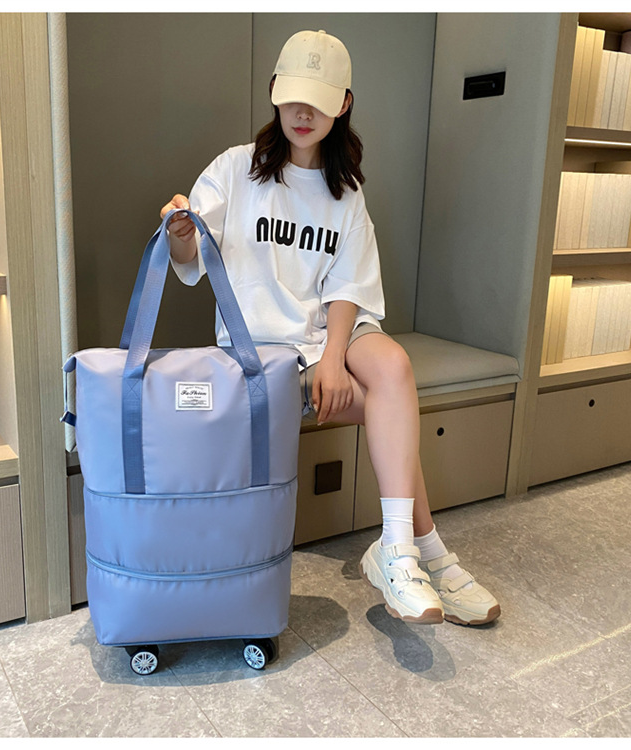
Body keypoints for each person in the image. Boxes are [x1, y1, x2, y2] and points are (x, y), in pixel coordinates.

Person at [160, 30, 500, 626]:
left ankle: (399, 551)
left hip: (332, 333)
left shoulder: (346, 191)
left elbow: (348, 288)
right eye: (292, 96)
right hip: (266, 349)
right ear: (274, 90)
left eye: (317, 100)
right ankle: (425, 551)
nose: (302, 112)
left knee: (392, 365)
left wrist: (336, 357)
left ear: (343, 103)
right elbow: (189, 258)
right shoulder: (236, 169)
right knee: (391, 411)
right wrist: (178, 230)